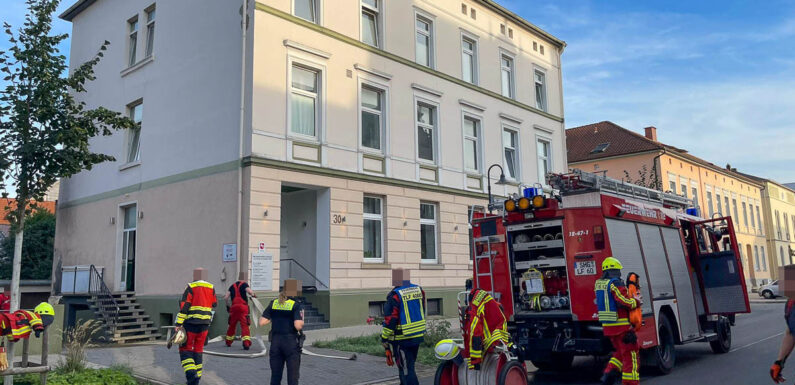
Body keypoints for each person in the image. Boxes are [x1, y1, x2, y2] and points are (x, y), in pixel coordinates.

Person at [595, 257, 641, 385]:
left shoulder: (599, 284)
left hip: (609, 328)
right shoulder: (615, 283)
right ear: (613, 271)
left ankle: (607, 376)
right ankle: (629, 383)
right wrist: (636, 301)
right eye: (617, 270)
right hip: (622, 328)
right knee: (631, 357)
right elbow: (623, 301)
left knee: (620, 354)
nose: (619, 273)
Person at [381, 268, 426, 385]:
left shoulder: (395, 295)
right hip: (417, 336)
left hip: (402, 339)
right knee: (409, 365)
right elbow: (422, 309)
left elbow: (391, 319)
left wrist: (384, 337)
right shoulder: (418, 290)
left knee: (406, 369)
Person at [175, 268, 217, 385]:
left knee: (185, 350)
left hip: (190, 324)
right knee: (198, 351)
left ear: (194, 276)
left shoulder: (190, 287)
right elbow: (214, 304)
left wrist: (178, 324)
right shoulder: (211, 287)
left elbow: (184, 308)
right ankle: (195, 380)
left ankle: (191, 373)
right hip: (204, 325)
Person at [260, 279, 304, 385]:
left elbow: (262, 322)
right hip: (290, 343)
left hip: (275, 342)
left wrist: (275, 318)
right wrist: (302, 321)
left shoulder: (274, 303)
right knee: (293, 377)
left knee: (275, 376)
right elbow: (297, 326)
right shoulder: (296, 305)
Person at [463, 288, 510, 370]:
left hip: (495, 337)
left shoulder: (474, 309)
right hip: (499, 329)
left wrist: (475, 361)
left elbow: (475, 334)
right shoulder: (482, 300)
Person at [224, 272, 257, 349]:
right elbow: (250, 292)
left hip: (234, 308)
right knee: (245, 325)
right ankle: (246, 343)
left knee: (232, 325)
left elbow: (226, 297)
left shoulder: (232, 286)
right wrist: (254, 296)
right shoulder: (244, 284)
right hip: (243, 308)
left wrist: (228, 306)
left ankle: (228, 342)